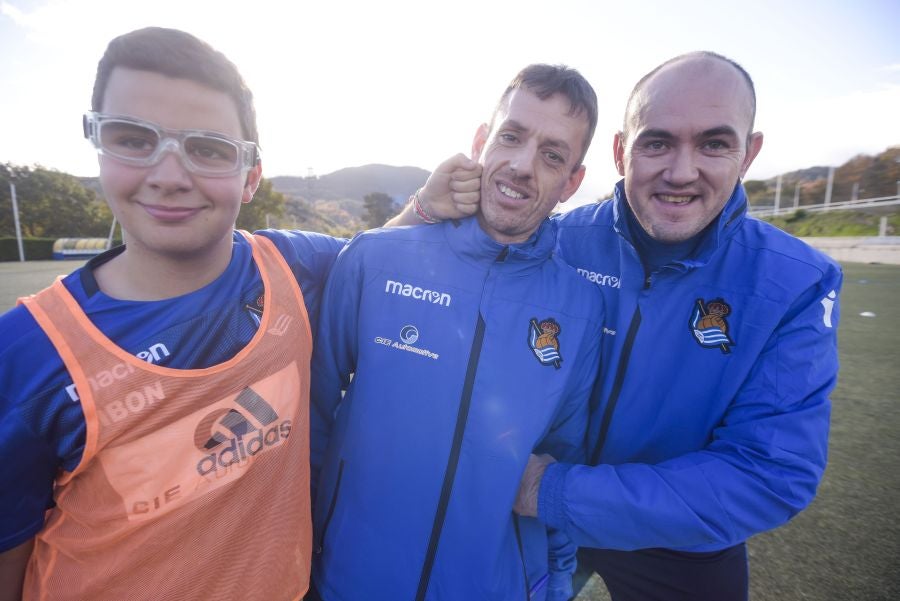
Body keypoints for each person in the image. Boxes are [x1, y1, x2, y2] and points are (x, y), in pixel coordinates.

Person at [417, 51, 843, 601]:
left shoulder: (796, 283)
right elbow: (410, 288)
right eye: (657, 142)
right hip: (530, 517)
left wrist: (553, 491)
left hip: (672, 540)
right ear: (621, 151)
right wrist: (420, 215)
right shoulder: (558, 240)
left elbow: (769, 472)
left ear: (748, 152)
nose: (681, 171)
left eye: (714, 143)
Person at [0, 27, 345, 601]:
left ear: (252, 176)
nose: (168, 175)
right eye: (133, 138)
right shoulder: (26, 352)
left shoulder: (292, 265)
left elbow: (387, 258)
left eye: (208, 148)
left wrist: (429, 200)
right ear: (99, 146)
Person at [309, 64, 605, 601]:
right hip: (348, 580)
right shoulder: (374, 260)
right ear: (480, 142)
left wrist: (554, 585)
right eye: (511, 136)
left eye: (553, 154)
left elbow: (562, 466)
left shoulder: (581, 309)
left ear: (572, 183)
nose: (521, 165)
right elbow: (308, 419)